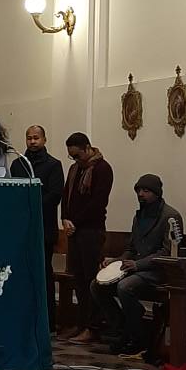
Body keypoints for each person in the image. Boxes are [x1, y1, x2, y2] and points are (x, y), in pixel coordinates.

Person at [90, 173, 182, 358]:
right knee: (96, 285)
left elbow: (167, 251)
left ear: (157, 193)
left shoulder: (170, 216)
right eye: (139, 190)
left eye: (146, 191)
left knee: (125, 287)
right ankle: (122, 327)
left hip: (158, 270)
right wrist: (116, 261)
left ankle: (137, 336)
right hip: (137, 268)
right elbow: (131, 248)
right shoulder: (139, 215)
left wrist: (137, 265)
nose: (141, 194)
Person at [60, 132, 113, 344]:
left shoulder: (102, 169)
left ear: (88, 148)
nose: (75, 160)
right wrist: (65, 218)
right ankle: (81, 323)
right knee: (78, 278)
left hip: (91, 231)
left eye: (77, 155)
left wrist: (75, 221)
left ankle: (93, 327)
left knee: (91, 279)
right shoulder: (75, 169)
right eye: (71, 156)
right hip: (75, 230)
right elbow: (66, 195)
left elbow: (98, 203)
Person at [10, 124, 63, 330]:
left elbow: (55, 195)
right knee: (21, 273)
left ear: (44, 140)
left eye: (36, 138)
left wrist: (31, 204)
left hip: (43, 227)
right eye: (29, 138)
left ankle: (48, 321)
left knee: (43, 273)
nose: (32, 141)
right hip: (21, 227)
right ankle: (23, 317)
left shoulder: (53, 165)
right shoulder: (18, 165)